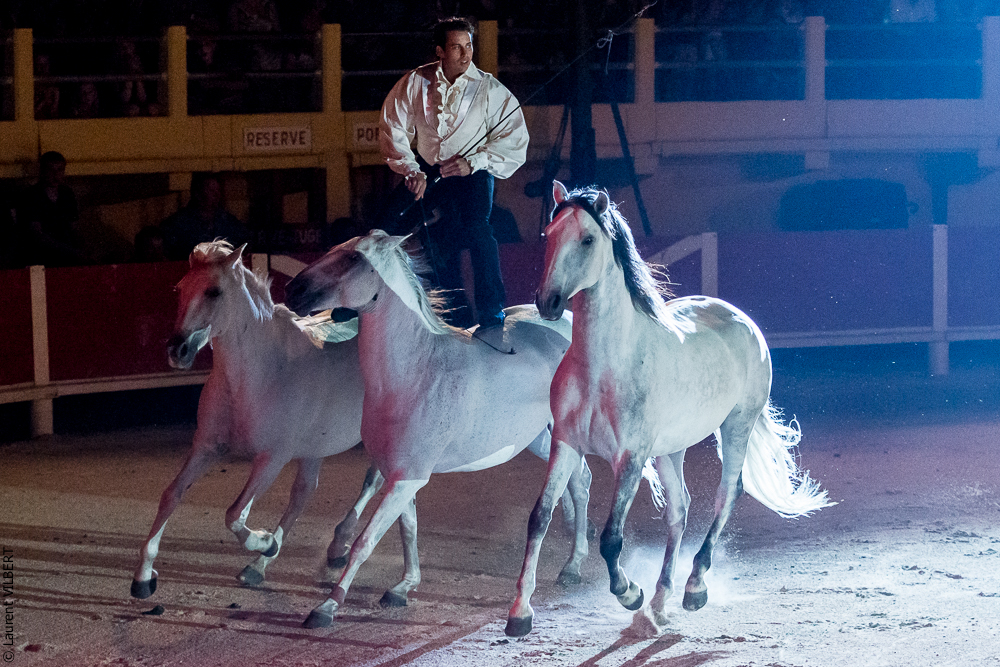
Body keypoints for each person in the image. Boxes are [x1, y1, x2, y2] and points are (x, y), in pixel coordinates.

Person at [379, 16, 528, 330]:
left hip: (472, 171)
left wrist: (473, 162)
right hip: (427, 169)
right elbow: (393, 128)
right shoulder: (414, 82)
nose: (465, 53)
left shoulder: (489, 89)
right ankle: (359, 304)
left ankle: (490, 309)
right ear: (439, 51)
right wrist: (411, 171)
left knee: (478, 230)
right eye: (456, 47)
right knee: (385, 224)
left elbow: (515, 141)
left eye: (468, 45)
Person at [15, 151, 89, 267]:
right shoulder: (31, 196)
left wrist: (84, 249)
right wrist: (72, 251)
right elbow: (37, 235)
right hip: (39, 257)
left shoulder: (66, 194)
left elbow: (74, 227)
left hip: (65, 254)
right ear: (42, 171)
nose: (55, 175)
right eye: (51, 170)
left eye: (60, 170)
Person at [160, 173, 250, 260]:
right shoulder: (179, 223)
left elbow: (243, 244)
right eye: (211, 190)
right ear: (198, 193)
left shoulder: (228, 221)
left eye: (217, 190)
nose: (216, 195)